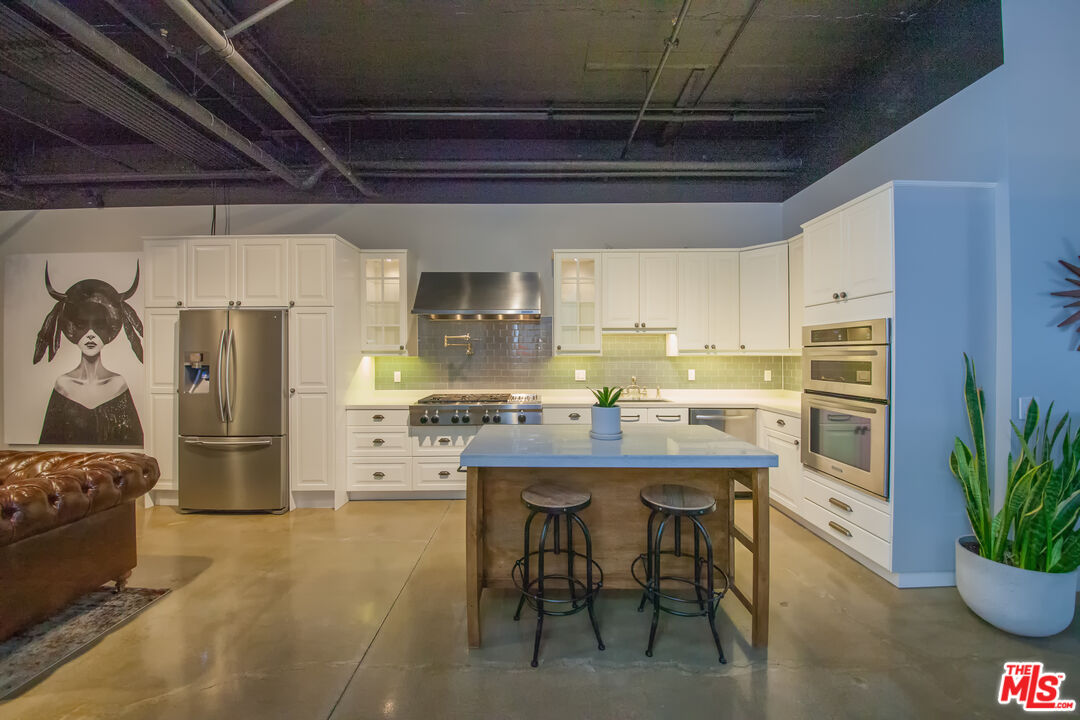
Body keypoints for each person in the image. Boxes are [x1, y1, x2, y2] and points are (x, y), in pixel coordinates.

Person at [33, 262, 144, 445]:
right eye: (81, 325)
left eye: (99, 325)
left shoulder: (118, 385)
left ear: (109, 328)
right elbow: (49, 443)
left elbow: (134, 441)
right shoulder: (63, 385)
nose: (90, 334)